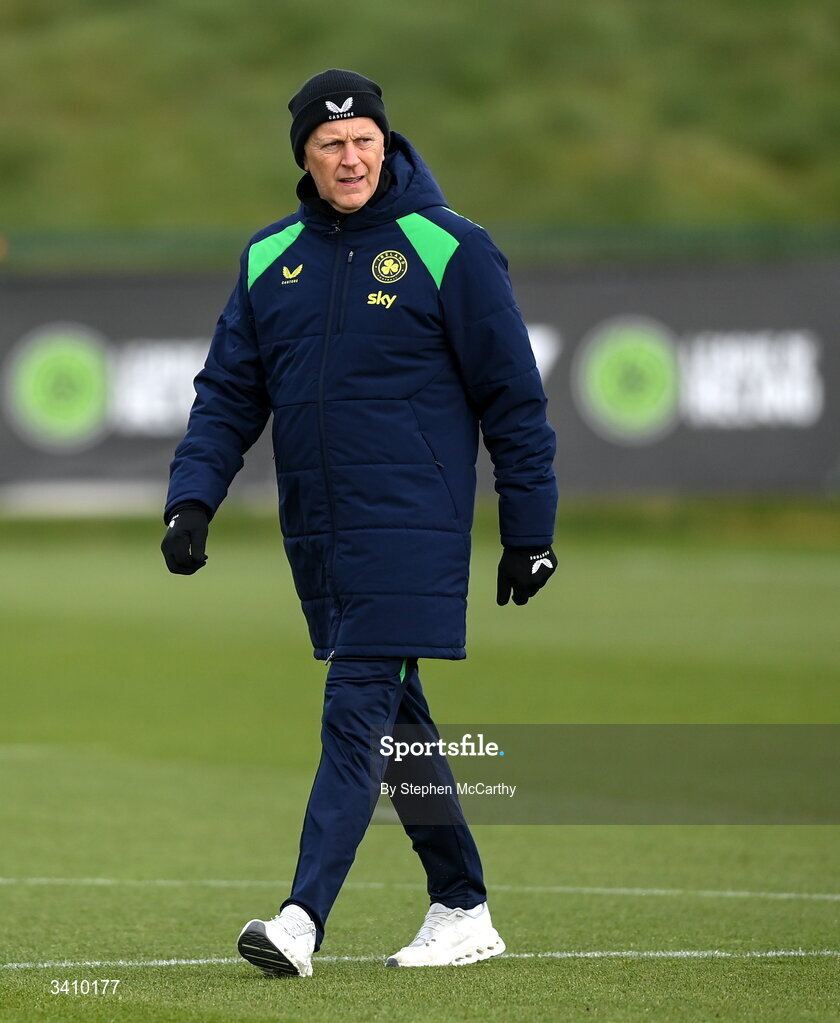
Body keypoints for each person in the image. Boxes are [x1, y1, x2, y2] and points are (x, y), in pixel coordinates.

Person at [161, 69, 558, 977]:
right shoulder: (271, 257)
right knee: (396, 721)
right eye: (331, 143)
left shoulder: (450, 246)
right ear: (304, 156)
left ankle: (301, 917)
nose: (351, 157)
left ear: (388, 143)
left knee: (355, 712)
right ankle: (462, 903)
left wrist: (529, 530)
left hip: (414, 527)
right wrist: (192, 499)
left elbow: (514, 398)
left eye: (365, 140)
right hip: (321, 534)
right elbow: (227, 394)